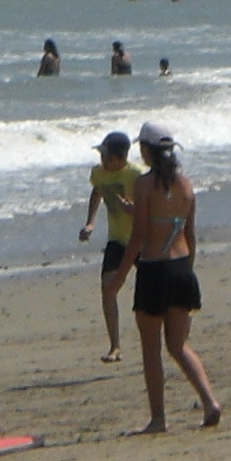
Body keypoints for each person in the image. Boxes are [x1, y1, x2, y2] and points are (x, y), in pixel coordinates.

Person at [115, 122, 223, 432]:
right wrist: (188, 269)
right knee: (179, 345)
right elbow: (189, 234)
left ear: (148, 151)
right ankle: (209, 401)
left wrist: (119, 277)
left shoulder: (144, 185)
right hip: (181, 269)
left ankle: (159, 418)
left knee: (151, 349)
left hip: (154, 269)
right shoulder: (186, 185)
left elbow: (139, 236)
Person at [77, 129, 145, 362]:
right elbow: (97, 193)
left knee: (151, 292)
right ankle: (115, 346)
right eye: (101, 154)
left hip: (142, 239)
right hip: (116, 240)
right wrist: (90, 223)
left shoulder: (137, 175)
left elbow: (151, 209)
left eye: (106, 155)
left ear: (121, 157)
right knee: (108, 288)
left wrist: (132, 210)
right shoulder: (99, 173)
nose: (102, 160)